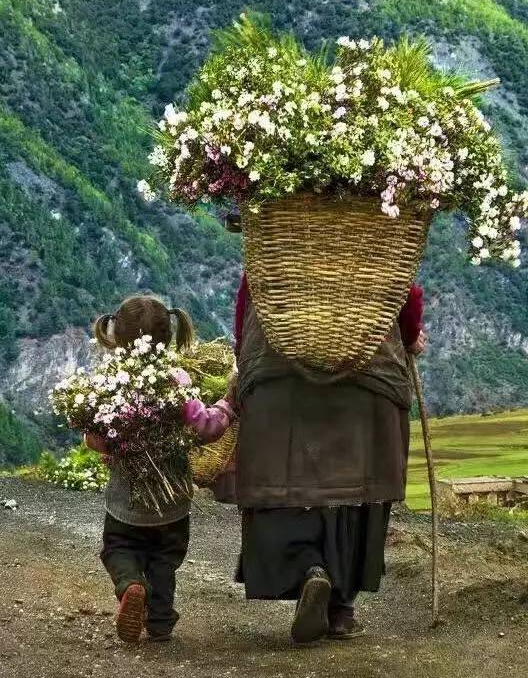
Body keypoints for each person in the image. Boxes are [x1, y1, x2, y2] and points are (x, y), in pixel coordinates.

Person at [233, 273, 425, 644]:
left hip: (277, 374)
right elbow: (406, 291)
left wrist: (245, 358)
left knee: (286, 484)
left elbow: (248, 295)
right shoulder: (377, 239)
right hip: (368, 375)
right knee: (354, 488)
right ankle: (341, 609)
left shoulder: (277, 236)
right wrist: (412, 331)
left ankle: (310, 569)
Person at [85, 295, 235, 645]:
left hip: (126, 500)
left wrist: (113, 445)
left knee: (118, 548)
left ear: (117, 337)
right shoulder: (175, 381)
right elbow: (205, 428)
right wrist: (228, 406)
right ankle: (161, 621)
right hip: (172, 503)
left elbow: (97, 440)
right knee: (165, 559)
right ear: (168, 336)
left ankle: (129, 584)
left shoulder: (112, 384)